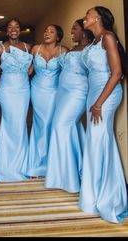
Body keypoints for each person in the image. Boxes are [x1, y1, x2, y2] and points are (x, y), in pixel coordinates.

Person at [79, 6, 128, 223]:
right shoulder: (93, 42)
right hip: (94, 95)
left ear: (97, 17)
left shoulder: (108, 36)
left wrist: (99, 103)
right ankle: (96, 193)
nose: (85, 17)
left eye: (88, 14)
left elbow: (117, 73)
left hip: (105, 96)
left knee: (97, 141)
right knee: (98, 142)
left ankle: (107, 197)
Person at [44, 19, 94, 193]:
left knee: (60, 126)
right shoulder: (72, 49)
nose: (71, 31)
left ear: (85, 32)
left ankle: (68, 177)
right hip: (62, 93)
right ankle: (77, 168)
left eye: (75, 28)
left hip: (77, 93)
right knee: (71, 128)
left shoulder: (90, 50)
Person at [27, 24, 68, 178]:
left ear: (58, 37)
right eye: (45, 30)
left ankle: (53, 162)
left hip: (55, 92)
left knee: (52, 124)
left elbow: (68, 73)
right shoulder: (35, 49)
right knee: (40, 125)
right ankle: (37, 164)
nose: (47, 33)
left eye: (51, 31)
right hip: (37, 90)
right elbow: (29, 69)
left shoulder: (64, 51)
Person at [0, 18, 33, 182]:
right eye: (10, 27)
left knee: (20, 123)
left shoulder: (28, 47)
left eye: (16, 26)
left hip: (24, 89)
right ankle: (6, 166)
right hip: (7, 89)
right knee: (10, 122)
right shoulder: (0, 48)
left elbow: (33, 66)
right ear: (6, 30)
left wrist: (24, 73)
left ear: (21, 29)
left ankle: (22, 164)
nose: (13, 29)